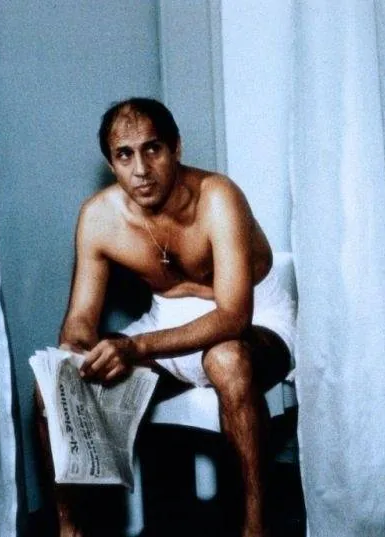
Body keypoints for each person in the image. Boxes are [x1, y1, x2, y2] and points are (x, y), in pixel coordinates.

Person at [35, 97, 295, 537]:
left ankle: (256, 527)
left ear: (176, 148)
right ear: (111, 163)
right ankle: (69, 530)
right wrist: (75, 354)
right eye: (124, 155)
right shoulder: (98, 217)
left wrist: (134, 347)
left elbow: (234, 316)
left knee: (227, 359)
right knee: (52, 384)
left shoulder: (218, 197)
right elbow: (80, 320)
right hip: (164, 325)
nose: (141, 169)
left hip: (256, 322)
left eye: (152, 149)